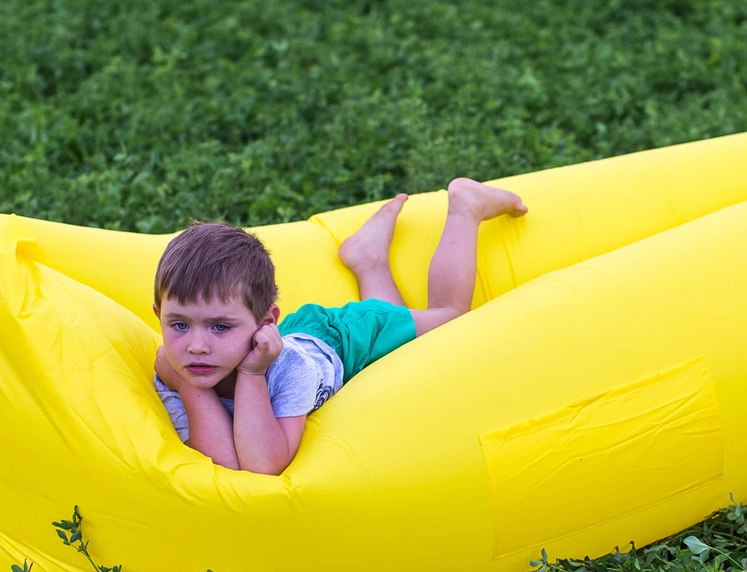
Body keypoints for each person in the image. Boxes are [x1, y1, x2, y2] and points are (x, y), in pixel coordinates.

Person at [153, 177, 528, 474]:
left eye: (219, 327)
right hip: (297, 333)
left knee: (450, 318)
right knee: (398, 343)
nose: (196, 346)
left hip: (348, 336)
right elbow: (223, 462)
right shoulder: (182, 366)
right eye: (180, 324)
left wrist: (251, 374)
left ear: (265, 322)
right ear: (158, 314)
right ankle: (368, 258)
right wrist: (189, 383)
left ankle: (465, 206)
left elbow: (263, 464)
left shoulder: (288, 369)